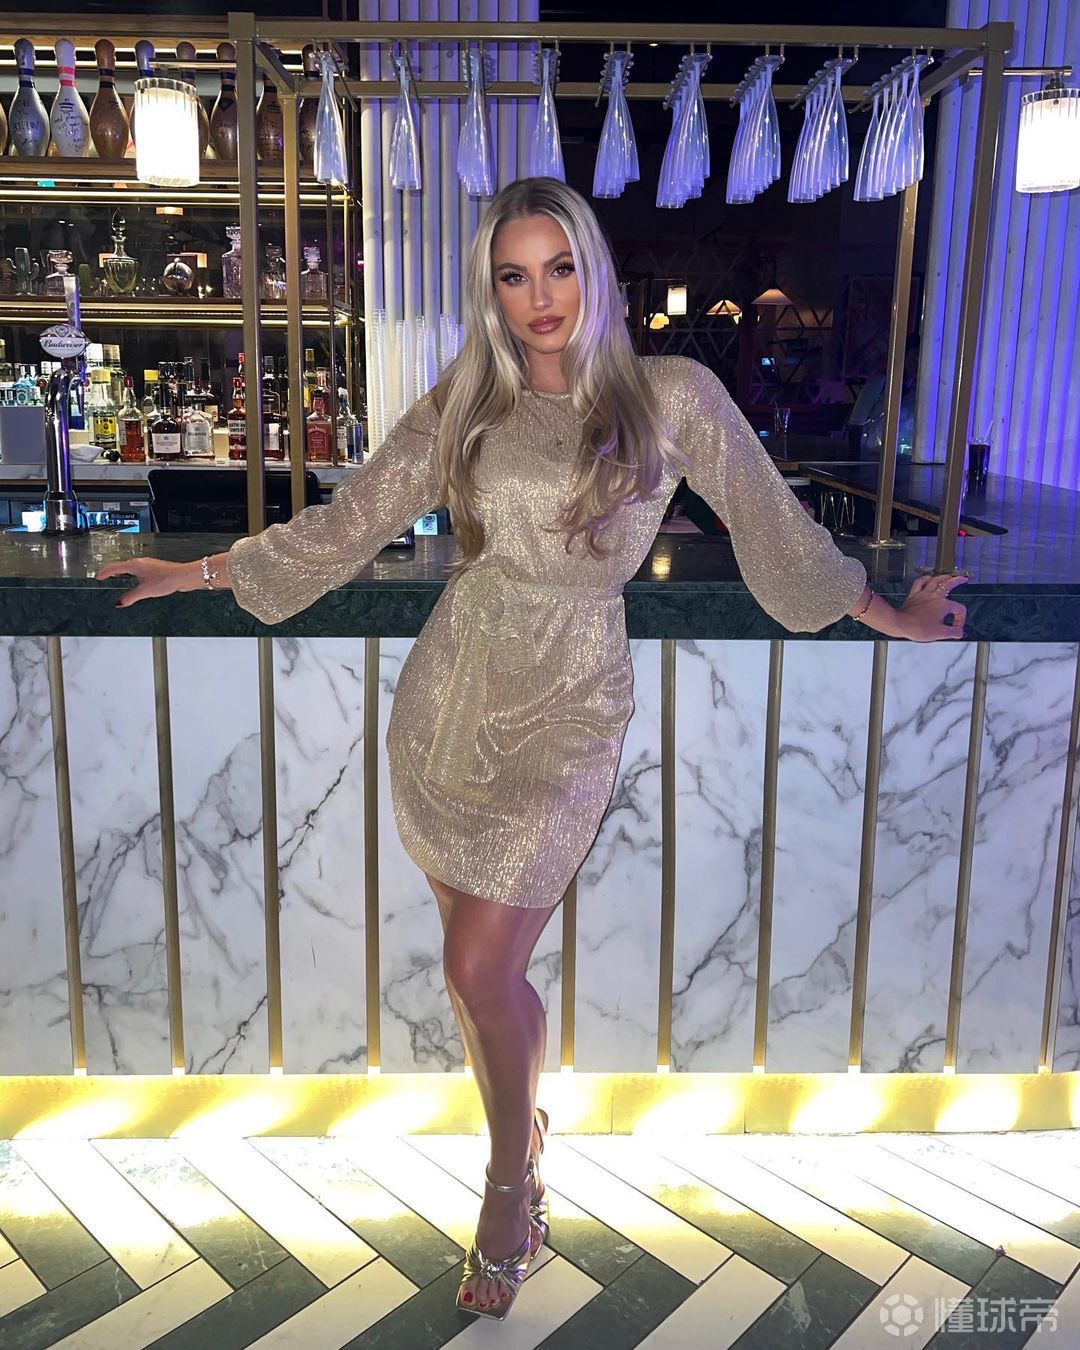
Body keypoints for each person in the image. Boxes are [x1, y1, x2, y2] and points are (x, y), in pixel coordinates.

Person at [95, 177, 968, 1322]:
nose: (540, 296)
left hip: (570, 705)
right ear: (493, 291)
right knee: (487, 978)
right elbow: (350, 524)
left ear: (593, 270)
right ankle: (528, 1143)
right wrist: (197, 571)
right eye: (514, 275)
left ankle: (510, 1186)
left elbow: (778, 532)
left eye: (558, 268)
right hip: (453, 695)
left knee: (475, 969)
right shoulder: (471, 398)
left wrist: (890, 611)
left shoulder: (673, 397)